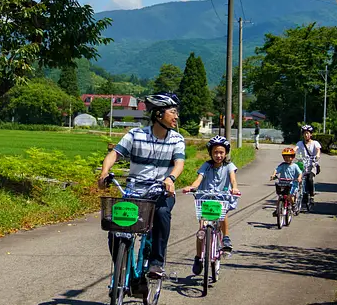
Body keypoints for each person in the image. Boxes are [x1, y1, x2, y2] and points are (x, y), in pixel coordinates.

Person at [97, 93, 186, 280]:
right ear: (159, 114)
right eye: (173, 112)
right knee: (115, 228)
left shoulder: (177, 139)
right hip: (134, 191)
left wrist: (170, 179)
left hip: (161, 191)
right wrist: (105, 172)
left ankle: (156, 262)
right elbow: (114, 154)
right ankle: (123, 264)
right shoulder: (135, 135)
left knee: (162, 214)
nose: (176, 117)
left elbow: (179, 164)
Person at [181, 135, 241, 273]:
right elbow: (198, 179)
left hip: (221, 199)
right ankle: (198, 257)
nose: (218, 155)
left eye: (221, 152)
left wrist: (234, 188)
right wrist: (192, 186)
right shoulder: (206, 166)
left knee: (223, 214)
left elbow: (233, 179)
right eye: (215, 152)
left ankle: (225, 238)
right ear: (210, 153)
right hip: (206, 199)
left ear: (226, 153)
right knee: (201, 230)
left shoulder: (229, 166)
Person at [271, 146, 303, 217]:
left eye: (289, 157)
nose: (287, 159)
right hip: (283, 183)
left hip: (292, 184)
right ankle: (278, 209)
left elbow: (300, 173)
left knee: (290, 196)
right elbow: (276, 170)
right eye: (285, 157)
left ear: (293, 157)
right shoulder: (282, 165)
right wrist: (273, 175)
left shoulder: (295, 166)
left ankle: (293, 205)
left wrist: (299, 178)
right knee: (280, 196)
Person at [295, 124, 322, 209]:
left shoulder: (315, 143)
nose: (306, 135)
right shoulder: (300, 143)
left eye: (308, 133)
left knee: (310, 179)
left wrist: (317, 156)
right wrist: (291, 152)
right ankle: (302, 194)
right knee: (298, 178)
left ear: (311, 134)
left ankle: (312, 196)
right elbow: (295, 149)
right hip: (302, 164)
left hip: (312, 164)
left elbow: (318, 150)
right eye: (304, 133)